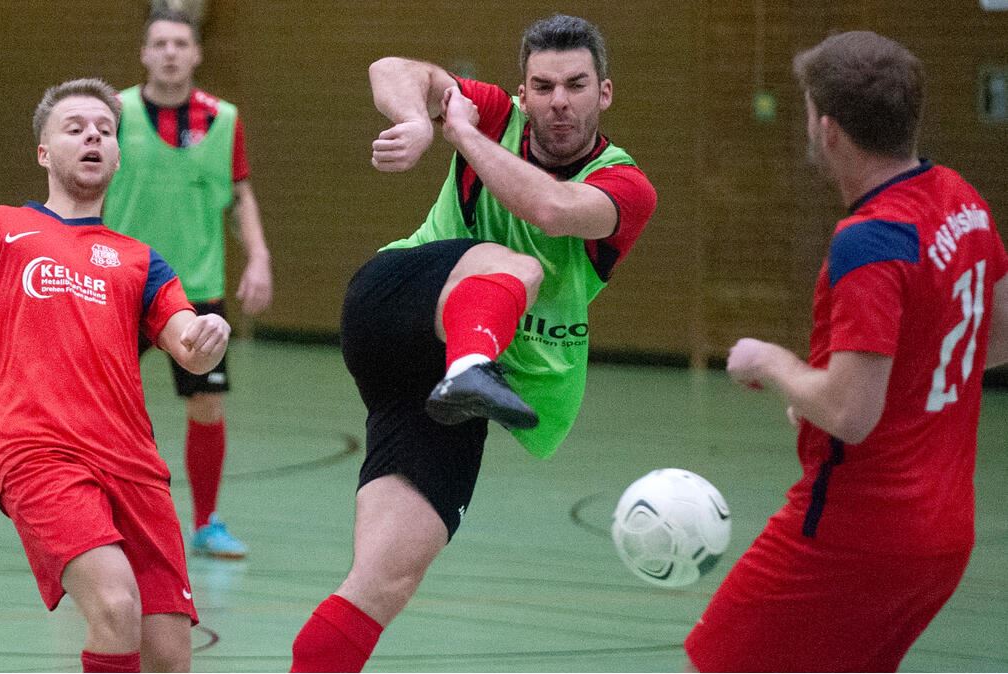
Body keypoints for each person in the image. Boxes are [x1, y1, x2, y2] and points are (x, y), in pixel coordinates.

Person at [289, 14, 657, 672]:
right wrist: (413, 118)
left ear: (605, 93)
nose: (559, 102)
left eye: (576, 85)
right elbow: (394, 70)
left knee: (384, 581)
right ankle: (470, 364)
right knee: (518, 267)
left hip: (448, 389)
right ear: (522, 93)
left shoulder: (625, 186)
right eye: (542, 87)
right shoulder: (493, 114)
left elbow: (552, 209)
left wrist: (458, 131)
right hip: (394, 305)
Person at [684, 31, 1008, 672]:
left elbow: (851, 414)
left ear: (827, 129)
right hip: (944, 535)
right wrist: (855, 388)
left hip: (853, 532)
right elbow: (993, 333)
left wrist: (773, 364)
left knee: (711, 661)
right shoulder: (959, 199)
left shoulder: (870, 240)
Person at [0, 78, 232, 673]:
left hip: (135, 465)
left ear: (117, 155)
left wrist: (209, 340)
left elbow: (188, 345)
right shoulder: (0, 230)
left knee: (169, 656)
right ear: (43, 151)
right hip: (40, 454)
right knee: (114, 606)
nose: (93, 137)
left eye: (106, 131)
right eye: (76, 127)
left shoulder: (140, 259)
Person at [103, 9, 272, 559]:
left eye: (180, 42)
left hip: (195, 287)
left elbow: (241, 192)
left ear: (197, 53)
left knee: (206, 403)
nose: (170, 52)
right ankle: (96, 516)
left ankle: (206, 523)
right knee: (100, 403)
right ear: (145, 52)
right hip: (120, 284)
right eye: (160, 43)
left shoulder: (224, 119)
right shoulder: (116, 114)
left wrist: (259, 257)